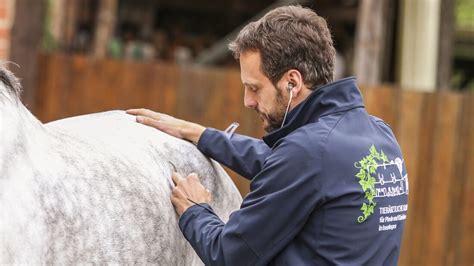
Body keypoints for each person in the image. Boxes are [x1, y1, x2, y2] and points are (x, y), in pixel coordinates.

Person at [127, 5, 408, 265]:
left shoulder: (307, 153)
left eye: (255, 88)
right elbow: (286, 165)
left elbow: (228, 255)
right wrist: (202, 135)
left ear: (292, 82)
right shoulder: (379, 135)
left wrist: (195, 210)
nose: (248, 101)